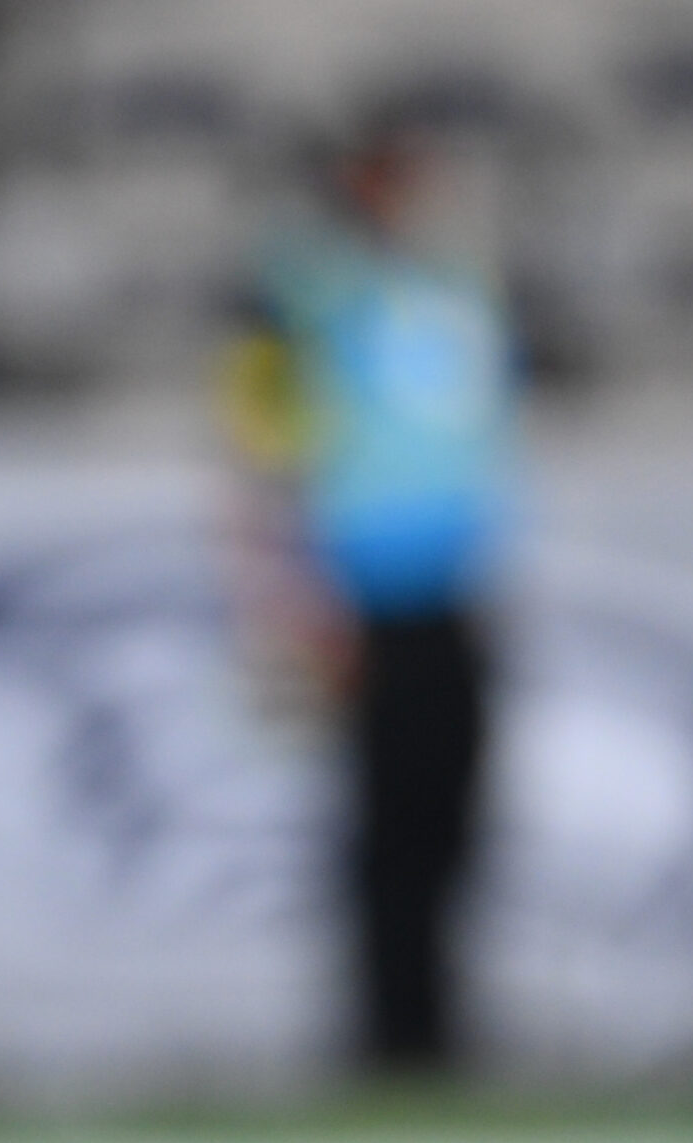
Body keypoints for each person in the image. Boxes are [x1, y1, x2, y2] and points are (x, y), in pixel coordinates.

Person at [223, 126, 515, 1069]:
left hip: (452, 590)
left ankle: (436, 1028)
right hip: (360, 599)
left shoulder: (452, 289)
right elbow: (266, 444)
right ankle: (391, 1042)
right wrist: (294, 587)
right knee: (384, 826)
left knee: (451, 817)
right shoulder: (306, 292)